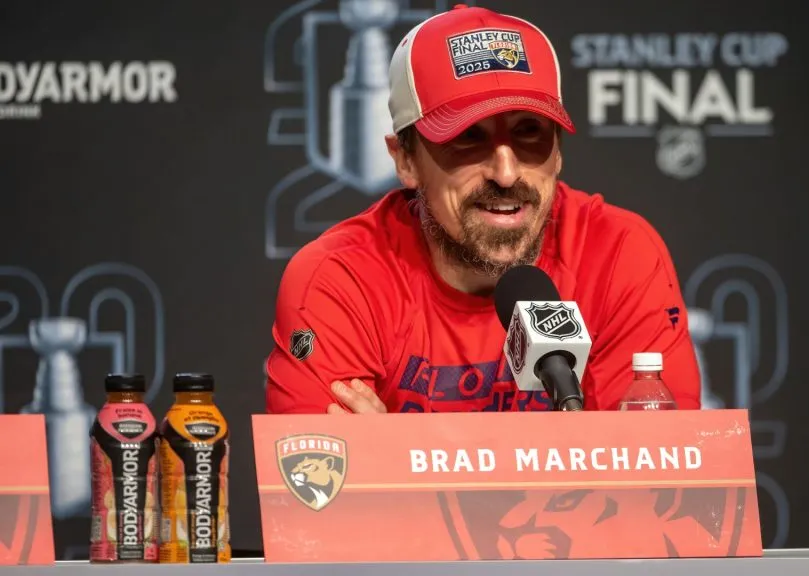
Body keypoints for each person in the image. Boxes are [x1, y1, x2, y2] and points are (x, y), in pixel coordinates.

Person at [264, 4, 702, 414]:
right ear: (405, 160)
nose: (507, 173)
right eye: (469, 137)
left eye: (530, 132)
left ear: (559, 154)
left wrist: (392, 457)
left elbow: (655, 483)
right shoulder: (342, 280)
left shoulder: (617, 254)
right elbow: (320, 485)